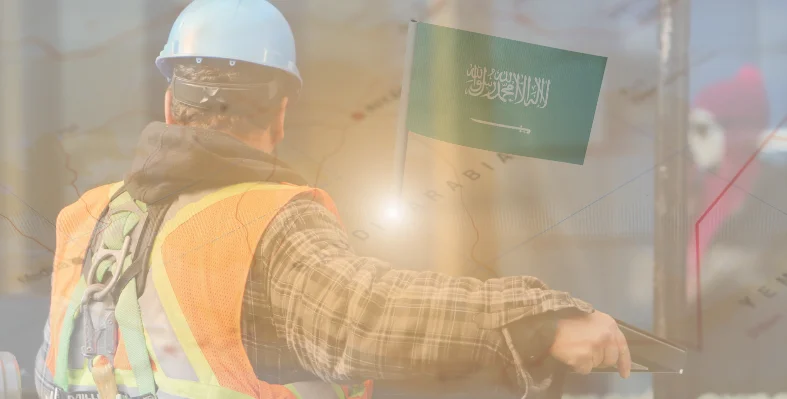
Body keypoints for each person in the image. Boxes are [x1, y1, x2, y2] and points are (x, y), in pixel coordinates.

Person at [34, 1, 630, 398]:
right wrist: (537, 322)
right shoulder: (262, 221)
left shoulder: (86, 217)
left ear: (170, 107)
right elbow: (364, 319)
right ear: (281, 113)